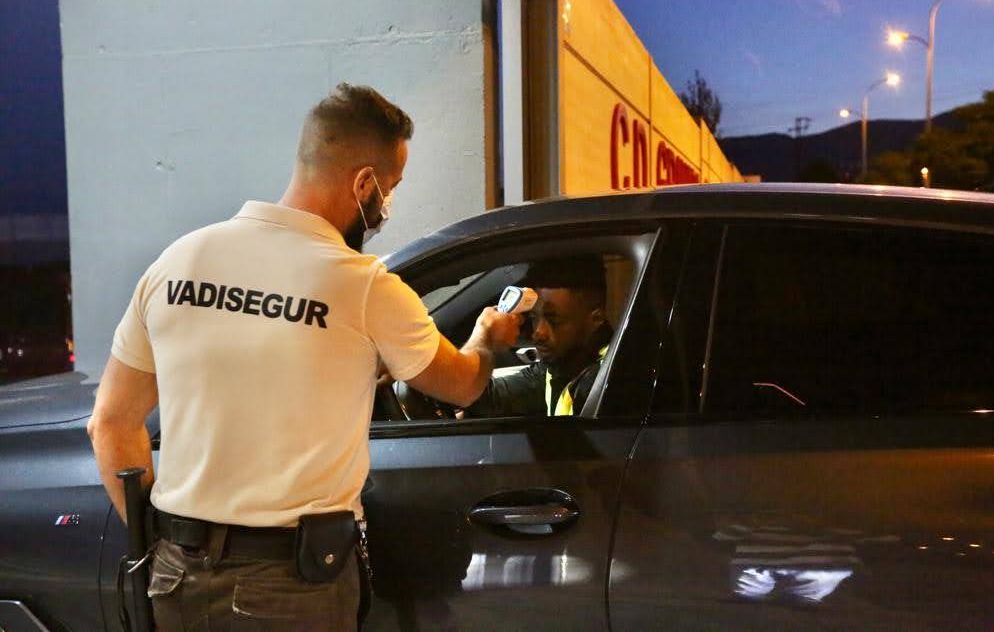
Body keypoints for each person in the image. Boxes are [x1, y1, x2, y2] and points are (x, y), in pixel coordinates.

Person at [86, 82, 521, 631]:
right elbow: (462, 385)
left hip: (175, 579)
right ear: (364, 183)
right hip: (290, 588)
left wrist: (162, 543)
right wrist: (486, 337)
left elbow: (110, 424)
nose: (386, 206)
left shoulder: (178, 261)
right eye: (390, 189)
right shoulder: (363, 286)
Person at [464, 256, 613, 418]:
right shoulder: (559, 367)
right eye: (535, 318)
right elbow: (479, 397)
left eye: (554, 320)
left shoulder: (605, 379)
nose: (538, 332)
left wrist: (484, 335)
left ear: (596, 318)